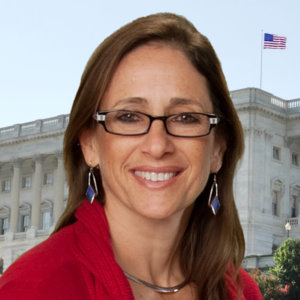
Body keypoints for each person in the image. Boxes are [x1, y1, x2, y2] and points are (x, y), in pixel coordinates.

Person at [0, 13, 262, 299]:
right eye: (128, 117)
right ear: (89, 145)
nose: (158, 145)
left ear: (218, 150)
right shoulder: (33, 287)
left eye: (186, 117)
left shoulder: (241, 291)